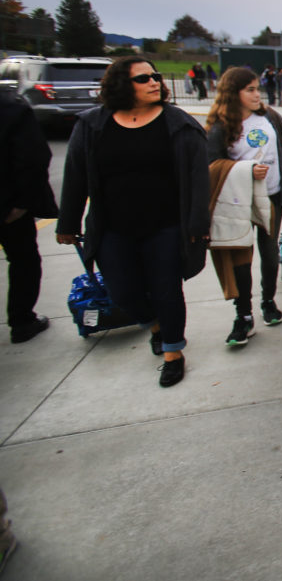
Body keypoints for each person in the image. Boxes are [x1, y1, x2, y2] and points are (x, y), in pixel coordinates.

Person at [56, 57, 209, 387]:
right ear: (122, 86)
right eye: (144, 79)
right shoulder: (93, 126)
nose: (155, 82)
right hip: (113, 227)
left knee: (167, 289)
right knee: (123, 292)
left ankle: (172, 351)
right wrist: (67, 222)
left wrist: (198, 224)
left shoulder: (179, 124)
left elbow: (199, 179)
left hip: (166, 226)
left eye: (155, 76)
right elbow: (75, 175)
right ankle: (153, 324)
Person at [205, 67, 282, 345]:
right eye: (249, 89)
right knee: (241, 257)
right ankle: (243, 315)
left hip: (273, 195)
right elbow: (210, 165)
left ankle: (268, 302)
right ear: (232, 93)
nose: (256, 94)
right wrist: (245, 169)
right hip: (239, 201)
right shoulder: (221, 125)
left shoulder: (270, 117)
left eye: (256, 88)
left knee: (269, 252)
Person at [0, 88, 58, 343]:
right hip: (9, 206)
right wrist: (23, 202)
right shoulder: (9, 106)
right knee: (23, 260)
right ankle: (22, 321)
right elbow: (34, 156)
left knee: (24, 260)